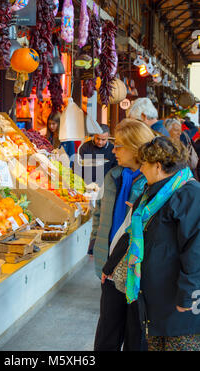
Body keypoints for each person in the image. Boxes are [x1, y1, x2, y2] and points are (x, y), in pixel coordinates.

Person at [103, 137, 200, 351]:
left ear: (157, 166)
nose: (141, 169)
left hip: (179, 305)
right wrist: (110, 266)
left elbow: (195, 251)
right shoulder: (151, 194)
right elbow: (131, 234)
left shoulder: (190, 195)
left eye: (144, 164)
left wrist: (188, 295)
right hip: (154, 302)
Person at [93, 118, 156, 351]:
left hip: (136, 270)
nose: (114, 149)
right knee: (106, 335)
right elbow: (100, 213)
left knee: (135, 336)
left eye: (119, 145)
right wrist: (95, 246)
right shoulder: (114, 175)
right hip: (110, 265)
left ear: (136, 147)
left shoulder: (153, 182)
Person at [78, 125, 118, 255]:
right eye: (97, 139)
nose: (100, 142)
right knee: (90, 217)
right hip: (87, 187)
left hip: (105, 187)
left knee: (101, 218)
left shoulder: (113, 150)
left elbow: (115, 170)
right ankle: (89, 246)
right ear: (93, 136)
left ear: (108, 138)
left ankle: (100, 245)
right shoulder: (85, 148)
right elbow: (80, 168)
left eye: (103, 139)